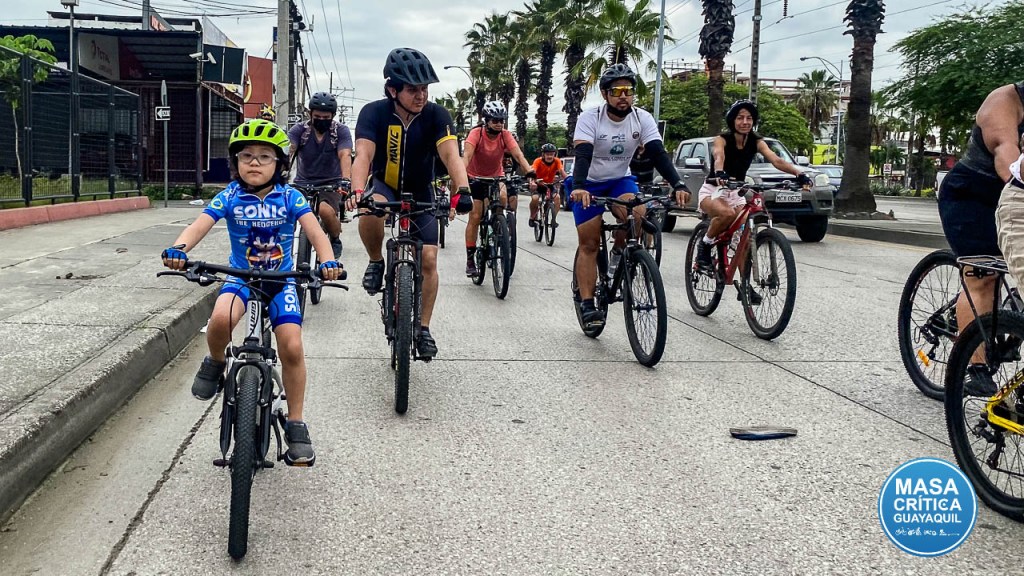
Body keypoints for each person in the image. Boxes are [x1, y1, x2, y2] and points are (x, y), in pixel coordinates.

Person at [160, 119, 341, 466]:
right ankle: (214, 363)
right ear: (235, 162)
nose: (254, 162)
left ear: (280, 164)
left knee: (291, 344)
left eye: (264, 156)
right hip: (239, 277)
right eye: (246, 156)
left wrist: (328, 261)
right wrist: (178, 250)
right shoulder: (229, 195)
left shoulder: (291, 196)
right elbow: (199, 224)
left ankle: (296, 423)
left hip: (281, 280)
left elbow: (315, 232)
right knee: (217, 322)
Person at [345, 47, 471, 358]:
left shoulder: (437, 116)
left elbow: (451, 156)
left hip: (421, 191)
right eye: (413, 89)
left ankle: (423, 328)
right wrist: (356, 190)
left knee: (428, 259)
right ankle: (376, 261)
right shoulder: (373, 113)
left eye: (425, 89)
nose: (421, 96)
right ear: (392, 89)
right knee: (369, 208)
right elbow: (363, 155)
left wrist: (463, 190)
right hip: (385, 186)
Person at [568, 63, 690, 329]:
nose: (623, 96)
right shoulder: (591, 118)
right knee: (589, 243)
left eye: (629, 90)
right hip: (587, 183)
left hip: (619, 180)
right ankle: (588, 304)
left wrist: (678, 183)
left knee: (637, 214)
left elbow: (658, 153)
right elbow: (583, 154)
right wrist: (578, 186)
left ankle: (619, 253)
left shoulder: (641, 118)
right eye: (617, 90)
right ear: (604, 94)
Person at [956, 82, 1024, 393]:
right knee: (982, 277)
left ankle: (1012, 327)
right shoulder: (1003, 102)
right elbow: (1007, 161)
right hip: (973, 196)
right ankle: (976, 367)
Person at [695, 99, 813, 271]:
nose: (745, 122)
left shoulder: (756, 141)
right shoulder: (722, 139)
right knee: (726, 214)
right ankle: (704, 246)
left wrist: (799, 174)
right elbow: (719, 155)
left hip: (736, 193)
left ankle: (746, 289)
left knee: (745, 240)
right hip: (714, 190)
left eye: (749, 118)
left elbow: (776, 160)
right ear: (732, 121)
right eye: (740, 118)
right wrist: (720, 172)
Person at [461, 101, 535, 276]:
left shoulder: (505, 135)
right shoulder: (476, 134)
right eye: (495, 120)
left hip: (496, 176)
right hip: (475, 178)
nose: (499, 123)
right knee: (476, 216)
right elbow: (467, 156)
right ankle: (470, 259)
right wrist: (461, 177)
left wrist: (529, 170)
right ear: (486, 120)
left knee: (502, 199)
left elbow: (518, 154)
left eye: (502, 120)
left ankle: (498, 229)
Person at [288, 92, 353, 260]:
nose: (321, 120)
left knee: (324, 210)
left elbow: (345, 154)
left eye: (326, 117)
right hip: (302, 182)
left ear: (332, 116)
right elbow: (289, 151)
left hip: (330, 183)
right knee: (290, 213)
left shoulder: (340, 131)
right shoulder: (300, 130)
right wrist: (278, 173)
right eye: (317, 116)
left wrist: (345, 180)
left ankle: (335, 239)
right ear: (310, 114)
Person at [529, 143, 567, 228]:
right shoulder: (538, 161)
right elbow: (532, 171)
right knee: (535, 199)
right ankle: (532, 217)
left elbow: (561, 171)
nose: (549, 156)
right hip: (538, 184)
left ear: (555, 154)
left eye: (552, 154)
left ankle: (553, 219)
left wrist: (568, 180)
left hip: (550, 185)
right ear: (543, 154)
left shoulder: (557, 161)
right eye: (547, 154)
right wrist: (532, 182)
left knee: (557, 198)